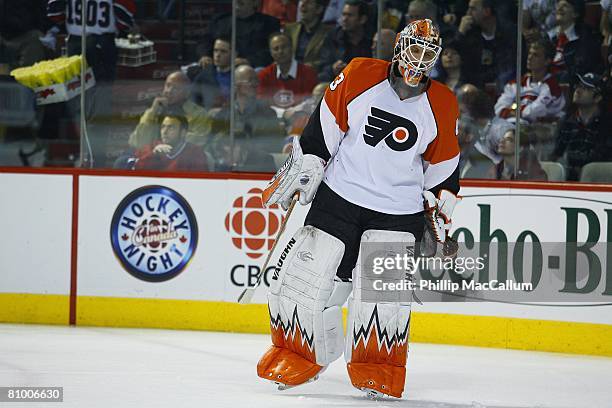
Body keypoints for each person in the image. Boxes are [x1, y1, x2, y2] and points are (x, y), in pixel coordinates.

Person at [256, 19, 460, 399]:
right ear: (400, 47)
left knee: (382, 297)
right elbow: (324, 126)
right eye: (415, 49)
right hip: (339, 197)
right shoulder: (360, 73)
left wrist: (441, 207)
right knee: (307, 278)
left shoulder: (443, 102)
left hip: (398, 210)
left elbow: (445, 165)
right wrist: (306, 165)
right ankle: (299, 354)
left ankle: (378, 366)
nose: (421, 59)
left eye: (428, 53)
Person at [207, 65, 285, 157]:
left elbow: (274, 145)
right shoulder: (223, 114)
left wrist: (245, 149)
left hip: (258, 163)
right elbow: (211, 145)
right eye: (250, 80)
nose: (255, 84)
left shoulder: (268, 113)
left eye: (256, 80)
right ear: (236, 85)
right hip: (227, 162)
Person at [551, 73, 612, 181]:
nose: (578, 90)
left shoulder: (607, 124)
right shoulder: (566, 122)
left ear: (598, 98)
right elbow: (555, 155)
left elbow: (603, 158)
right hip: (568, 181)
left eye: (586, 88)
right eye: (578, 86)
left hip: (600, 182)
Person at [128, 71, 210, 150]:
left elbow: (199, 141)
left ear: (187, 92)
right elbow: (137, 142)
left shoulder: (198, 114)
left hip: (181, 157)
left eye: (176, 88)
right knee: (122, 161)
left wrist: (164, 145)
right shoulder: (155, 110)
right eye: (168, 86)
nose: (169, 91)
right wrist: (152, 112)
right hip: (152, 154)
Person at [494, 39, 565, 123]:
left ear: (547, 61)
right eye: (530, 53)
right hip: (511, 126)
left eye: (535, 55)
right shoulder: (516, 83)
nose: (530, 58)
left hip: (538, 131)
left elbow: (534, 113)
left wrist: (511, 111)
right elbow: (498, 108)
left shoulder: (552, 86)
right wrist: (519, 113)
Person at [196, 0, 280, 69]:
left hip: (252, 68)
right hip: (218, 66)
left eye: (241, 2)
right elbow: (204, 41)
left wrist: (248, 61)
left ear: (255, 2)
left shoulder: (269, 24)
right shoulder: (220, 21)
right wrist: (205, 56)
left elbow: (271, 51)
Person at [454, 0, 516, 90]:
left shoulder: (509, 33)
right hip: (476, 85)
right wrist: (460, 34)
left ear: (487, 11)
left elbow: (508, 66)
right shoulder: (470, 33)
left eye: (473, 9)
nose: (468, 13)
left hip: (502, 84)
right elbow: (455, 55)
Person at [257, 32, 319, 111]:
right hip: (272, 120)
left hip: (301, 118)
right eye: (276, 49)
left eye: (284, 47)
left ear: (292, 48)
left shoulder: (308, 73)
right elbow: (262, 104)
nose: (280, 51)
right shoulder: (264, 75)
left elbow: (311, 103)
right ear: (271, 53)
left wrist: (292, 112)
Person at [318, 0, 373, 81]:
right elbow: (322, 70)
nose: (344, 19)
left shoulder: (372, 39)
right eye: (343, 14)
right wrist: (332, 69)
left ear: (362, 19)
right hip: (339, 84)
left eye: (350, 15)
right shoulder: (333, 37)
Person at [134, 115, 209, 172]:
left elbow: (197, 182)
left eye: (171, 128)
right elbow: (136, 172)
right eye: (163, 127)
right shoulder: (151, 148)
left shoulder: (195, 153)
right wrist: (153, 155)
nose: (164, 132)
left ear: (183, 133)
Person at [283, 0, 333, 72]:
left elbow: (327, 61)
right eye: (301, 1)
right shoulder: (290, 29)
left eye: (308, 2)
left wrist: (305, 67)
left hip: (314, 75)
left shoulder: (329, 33)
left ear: (319, 9)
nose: (303, 4)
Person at [190, 36, 232, 110]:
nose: (217, 55)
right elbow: (193, 102)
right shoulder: (203, 76)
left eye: (223, 51)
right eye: (215, 50)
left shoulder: (240, 76)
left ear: (234, 53)